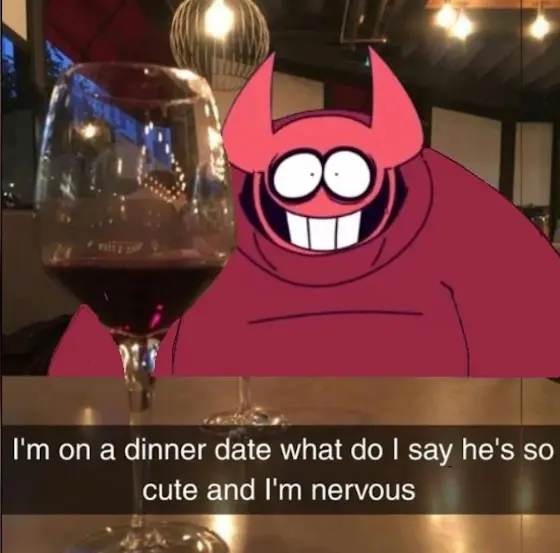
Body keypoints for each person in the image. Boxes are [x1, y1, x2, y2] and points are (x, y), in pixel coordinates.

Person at [50, 48, 560, 378]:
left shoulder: (450, 207)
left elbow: (535, 313)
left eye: (345, 175)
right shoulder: (219, 223)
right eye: (299, 177)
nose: (322, 201)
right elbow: (81, 375)